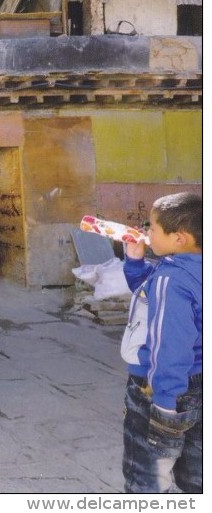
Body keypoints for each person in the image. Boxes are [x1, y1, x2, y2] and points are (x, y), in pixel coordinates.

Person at [121, 192, 202, 493]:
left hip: (161, 390)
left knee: (148, 478)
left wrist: (163, 404)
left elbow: (169, 348)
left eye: (152, 228)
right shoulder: (185, 270)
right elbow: (149, 295)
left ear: (179, 238)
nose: (146, 232)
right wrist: (135, 260)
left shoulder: (172, 279)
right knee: (198, 477)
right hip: (200, 382)